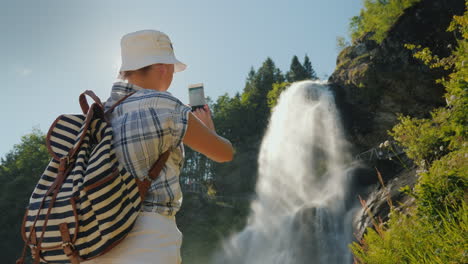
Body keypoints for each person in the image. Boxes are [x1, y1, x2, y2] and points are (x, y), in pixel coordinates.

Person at [83, 29, 234, 264]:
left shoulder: (100, 114)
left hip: (93, 242)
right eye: (172, 69)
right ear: (162, 67)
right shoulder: (166, 106)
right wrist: (207, 126)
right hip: (147, 239)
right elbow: (224, 153)